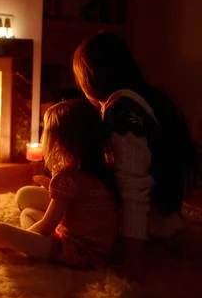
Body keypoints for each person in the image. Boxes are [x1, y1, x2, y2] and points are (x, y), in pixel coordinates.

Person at [72, 31, 199, 279]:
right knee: (32, 199)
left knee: (33, 206)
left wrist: (133, 262)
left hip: (150, 223)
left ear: (92, 75)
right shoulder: (141, 100)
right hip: (162, 216)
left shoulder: (122, 115)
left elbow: (134, 191)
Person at [0, 99, 119, 269]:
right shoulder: (97, 166)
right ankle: (31, 242)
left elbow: (47, 226)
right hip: (99, 246)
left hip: (79, 251)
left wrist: (24, 238)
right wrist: (52, 188)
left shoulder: (68, 177)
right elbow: (77, 201)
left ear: (62, 142)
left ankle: (22, 244)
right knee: (26, 204)